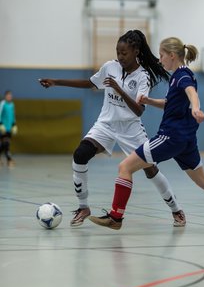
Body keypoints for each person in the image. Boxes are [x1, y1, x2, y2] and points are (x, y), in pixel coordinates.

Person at [89, 36, 204, 230]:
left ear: (172, 55)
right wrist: (149, 101)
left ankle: (116, 217)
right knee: (203, 181)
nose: (159, 60)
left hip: (170, 137)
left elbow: (192, 93)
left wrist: (196, 108)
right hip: (187, 140)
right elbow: (172, 104)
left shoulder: (183, 76)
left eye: (161, 55)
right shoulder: (179, 75)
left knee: (125, 167)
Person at [39, 30, 186, 228]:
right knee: (80, 154)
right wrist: (57, 82)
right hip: (106, 124)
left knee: (150, 170)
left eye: (124, 52)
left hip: (130, 128)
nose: (120, 56)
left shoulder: (143, 77)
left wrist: (118, 88)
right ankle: (83, 207)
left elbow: (138, 111)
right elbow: (89, 83)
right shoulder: (110, 67)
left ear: (135, 51)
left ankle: (176, 210)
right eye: (118, 52)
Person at [0, 90, 18, 167]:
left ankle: (7, 159)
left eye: (10, 96)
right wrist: (0, 124)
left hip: (9, 128)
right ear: (5, 96)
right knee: (6, 144)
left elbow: (13, 115)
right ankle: (9, 160)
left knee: (6, 144)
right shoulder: (2, 104)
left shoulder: (12, 104)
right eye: (8, 95)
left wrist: (14, 124)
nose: (9, 97)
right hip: (2, 127)